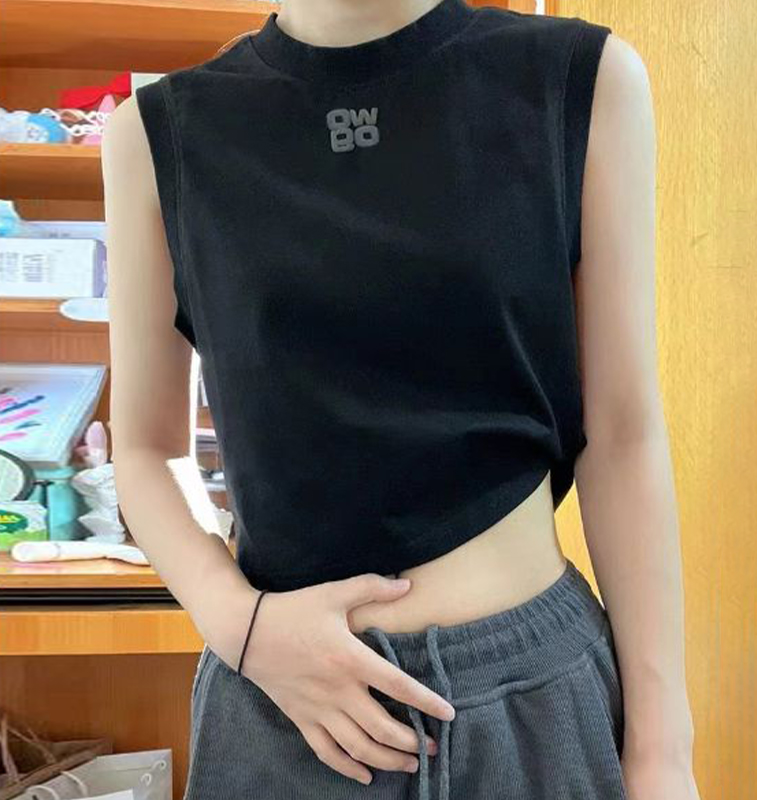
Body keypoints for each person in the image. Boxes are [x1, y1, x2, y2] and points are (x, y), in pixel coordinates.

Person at [102, 0, 700, 798]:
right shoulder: (157, 133)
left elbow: (622, 432)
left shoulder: (579, 80)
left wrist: (664, 751)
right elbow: (147, 449)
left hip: (533, 700)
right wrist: (239, 626)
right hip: (287, 707)